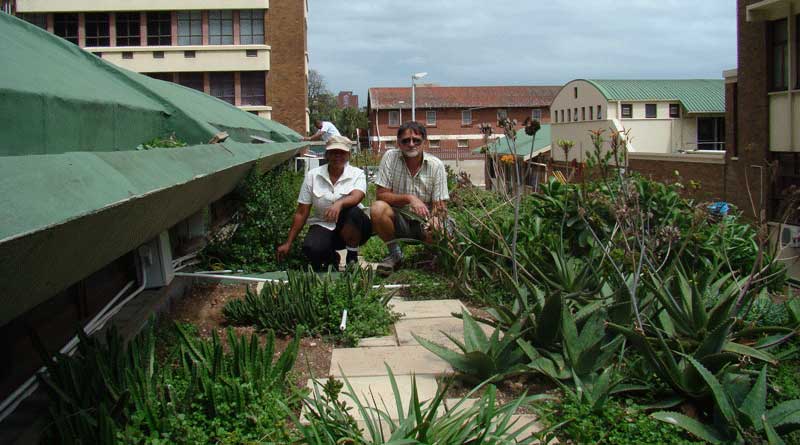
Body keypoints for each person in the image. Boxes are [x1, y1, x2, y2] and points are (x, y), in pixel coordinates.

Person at [277, 136, 371, 270]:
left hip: (355, 226)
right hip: (324, 223)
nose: (337, 156)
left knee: (352, 211)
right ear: (326, 154)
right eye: (333, 152)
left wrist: (339, 204)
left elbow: (357, 196)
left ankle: (352, 256)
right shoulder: (313, 176)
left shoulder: (357, 174)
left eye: (342, 152)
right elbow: (302, 212)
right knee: (311, 248)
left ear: (349, 155)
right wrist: (288, 242)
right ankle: (332, 257)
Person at [370, 121, 449, 274]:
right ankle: (395, 255)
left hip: (425, 220)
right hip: (399, 219)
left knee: (438, 225)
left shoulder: (436, 165)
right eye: (406, 140)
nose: (411, 144)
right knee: (377, 208)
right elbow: (381, 194)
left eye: (416, 140)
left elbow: (440, 205)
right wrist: (409, 198)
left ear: (424, 142)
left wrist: (434, 219)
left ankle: (429, 258)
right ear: (398, 143)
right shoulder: (390, 157)